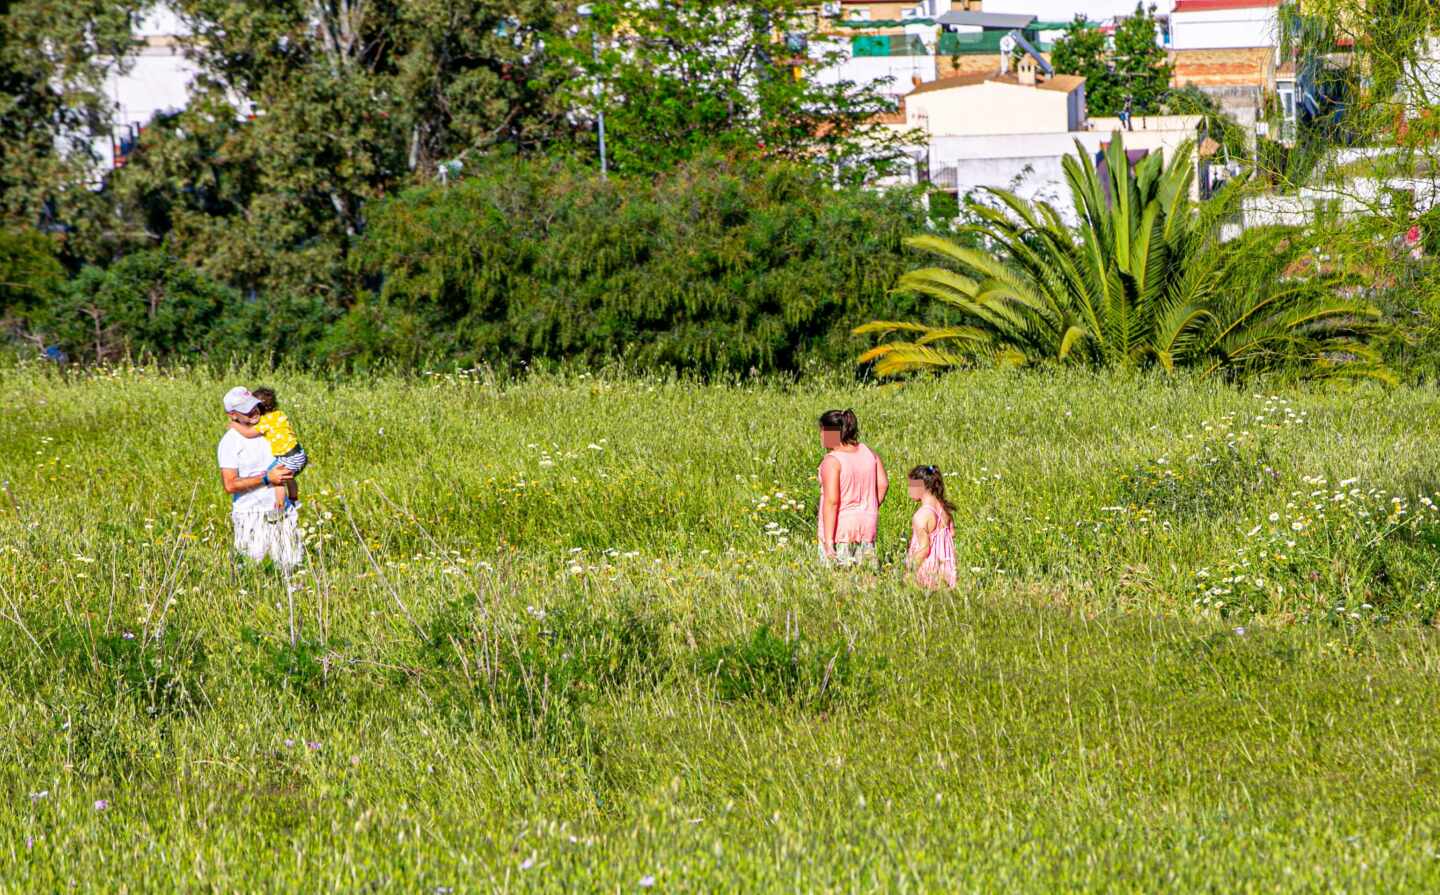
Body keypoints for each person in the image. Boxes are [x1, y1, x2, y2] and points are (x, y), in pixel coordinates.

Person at [217, 386, 303, 571]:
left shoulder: (268, 429)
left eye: (255, 406)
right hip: (251, 516)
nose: (255, 412)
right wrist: (267, 479)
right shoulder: (230, 442)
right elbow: (230, 485)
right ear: (233, 415)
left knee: (292, 568)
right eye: (247, 410)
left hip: (283, 514)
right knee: (253, 572)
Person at [816, 409, 887, 567]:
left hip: (841, 529)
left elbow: (832, 501)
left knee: (839, 581)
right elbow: (883, 484)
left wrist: (828, 542)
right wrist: (870, 506)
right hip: (867, 524)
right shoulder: (869, 453)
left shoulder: (832, 461)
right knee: (867, 577)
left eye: (822, 431)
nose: (820, 436)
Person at [231, 386, 309, 521]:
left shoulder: (266, 421)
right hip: (299, 453)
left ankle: (279, 509)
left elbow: (249, 433)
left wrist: (234, 425)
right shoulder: (279, 414)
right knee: (288, 476)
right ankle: (294, 499)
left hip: (288, 456)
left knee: (277, 479)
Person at [906, 465, 957, 590]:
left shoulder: (921, 515)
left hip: (928, 572)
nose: (909, 490)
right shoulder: (945, 510)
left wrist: (910, 571)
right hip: (945, 570)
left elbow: (925, 548)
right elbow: (952, 534)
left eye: (911, 486)